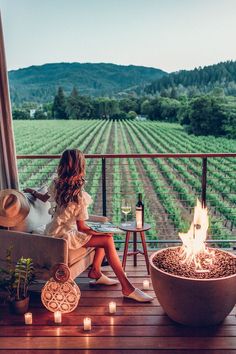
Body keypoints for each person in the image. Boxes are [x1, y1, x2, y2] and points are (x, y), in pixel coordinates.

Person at [25, 149, 153, 302]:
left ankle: (96, 272)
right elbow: (82, 228)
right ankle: (127, 288)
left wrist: (32, 191)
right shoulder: (78, 195)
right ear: (80, 167)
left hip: (53, 230)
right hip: (64, 236)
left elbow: (45, 197)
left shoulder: (56, 183)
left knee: (104, 236)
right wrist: (103, 233)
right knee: (107, 239)